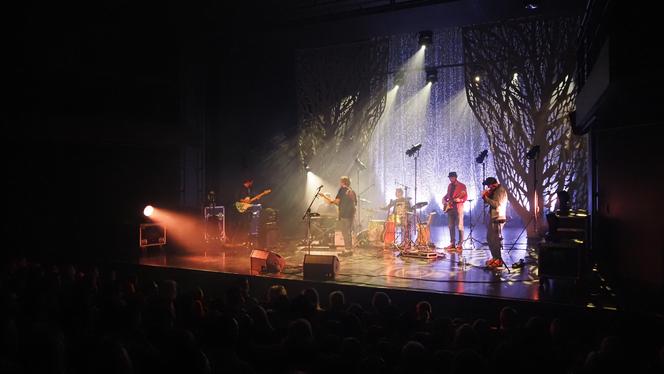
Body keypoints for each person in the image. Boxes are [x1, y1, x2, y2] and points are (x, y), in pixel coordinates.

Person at [325, 176, 357, 256]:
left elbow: (337, 202)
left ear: (342, 182)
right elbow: (355, 203)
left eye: (341, 181)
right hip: (351, 214)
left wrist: (327, 198)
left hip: (344, 214)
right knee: (348, 232)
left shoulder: (342, 190)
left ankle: (347, 250)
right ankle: (349, 250)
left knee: (345, 232)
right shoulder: (352, 191)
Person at [481, 177, 508, 268]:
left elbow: (497, 204)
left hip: (498, 217)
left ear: (493, 184)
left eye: (489, 186)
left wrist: (486, 197)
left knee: (494, 239)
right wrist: (486, 197)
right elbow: (487, 203)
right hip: (494, 217)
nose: (488, 187)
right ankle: (495, 258)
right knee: (490, 238)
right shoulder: (495, 190)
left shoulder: (500, 190)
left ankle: (498, 260)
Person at [442, 172, 467, 252]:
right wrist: (444, 199)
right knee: (450, 226)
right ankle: (452, 243)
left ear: (455, 177)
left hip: (458, 208)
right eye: (450, 177)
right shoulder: (449, 186)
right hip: (450, 208)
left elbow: (465, 197)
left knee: (460, 226)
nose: (450, 179)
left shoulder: (462, 186)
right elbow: (448, 195)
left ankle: (460, 244)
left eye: (452, 177)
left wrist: (460, 200)